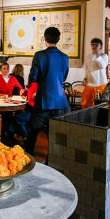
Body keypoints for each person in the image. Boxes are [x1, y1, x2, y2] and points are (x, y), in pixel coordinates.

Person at [24, 27, 70, 156]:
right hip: (59, 102)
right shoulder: (65, 57)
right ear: (59, 39)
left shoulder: (39, 55)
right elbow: (64, 77)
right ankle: (53, 163)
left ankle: (27, 160)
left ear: (44, 38)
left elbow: (33, 77)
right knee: (54, 136)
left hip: (43, 100)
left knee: (32, 133)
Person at [81, 38, 109, 108]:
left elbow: (103, 66)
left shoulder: (104, 56)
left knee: (101, 104)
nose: (94, 47)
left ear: (101, 47)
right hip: (90, 82)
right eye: (93, 45)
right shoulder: (88, 57)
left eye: (96, 45)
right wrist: (85, 78)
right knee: (86, 103)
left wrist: (97, 55)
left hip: (101, 83)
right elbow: (87, 69)